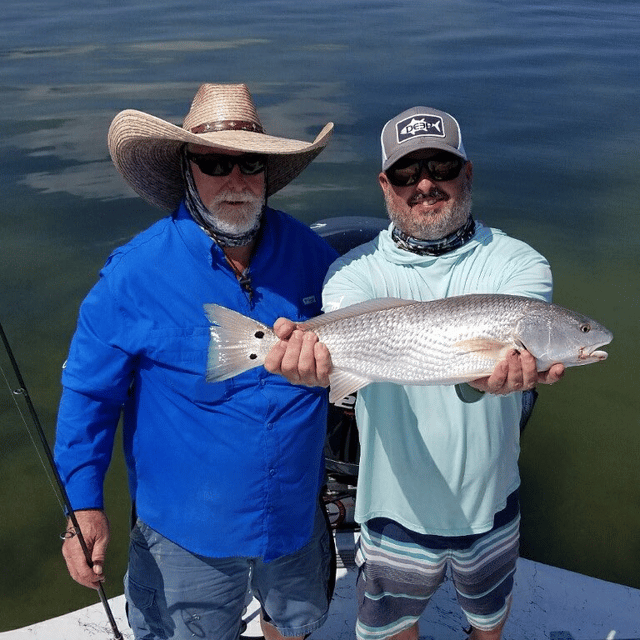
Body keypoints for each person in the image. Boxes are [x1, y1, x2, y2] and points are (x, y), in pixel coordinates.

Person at [267, 106, 565, 640]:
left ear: (466, 174)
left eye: (440, 167)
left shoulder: (521, 264)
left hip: (491, 499)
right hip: (391, 507)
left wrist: (484, 379)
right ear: (386, 185)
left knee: (488, 625)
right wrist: (300, 364)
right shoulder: (353, 273)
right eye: (407, 173)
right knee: (393, 631)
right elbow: (346, 360)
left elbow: (493, 362)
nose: (424, 184)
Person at [54, 83, 339, 640]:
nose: (235, 180)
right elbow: (89, 397)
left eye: (250, 162)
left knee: (296, 624)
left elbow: (381, 337)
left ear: (267, 172)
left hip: (295, 517)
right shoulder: (134, 275)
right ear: (187, 168)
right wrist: (83, 507)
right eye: (214, 162)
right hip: (186, 532)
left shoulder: (315, 257)